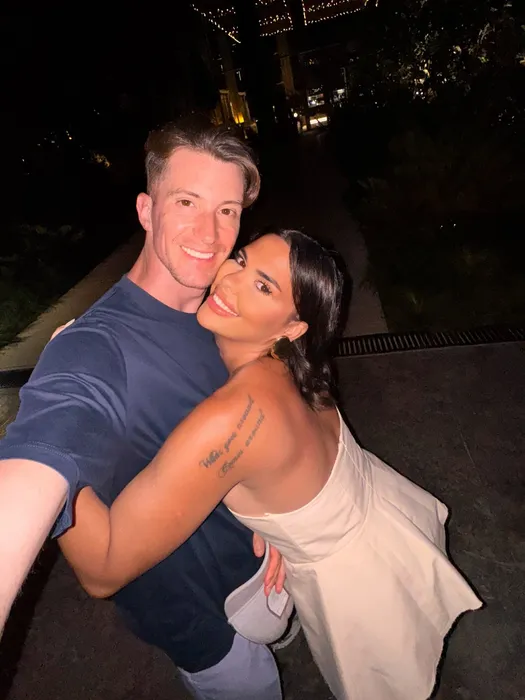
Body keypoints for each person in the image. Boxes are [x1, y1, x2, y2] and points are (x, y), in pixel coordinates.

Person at [55, 228, 482, 700]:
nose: (229, 281)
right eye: (240, 260)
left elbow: (103, 570)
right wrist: (275, 520)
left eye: (263, 286)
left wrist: (55, 425)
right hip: (378, 517)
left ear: (291, 328)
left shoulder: (232, 418)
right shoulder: (299, 368)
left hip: (358, 582)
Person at [0, 122, 287, 700]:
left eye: (227, 211)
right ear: (146, 210)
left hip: (257, 576)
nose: (209, 233)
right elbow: (34, 470)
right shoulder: (90, 350)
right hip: (207, 633)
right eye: (186, 203)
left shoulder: (221, 308)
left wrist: (279, 511)